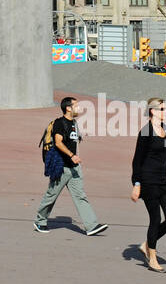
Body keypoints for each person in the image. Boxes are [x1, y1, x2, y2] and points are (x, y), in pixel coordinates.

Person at [33, 96, 109, 236]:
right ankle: (40, 221)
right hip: (61, 167)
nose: (79, 108)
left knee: (80, 196)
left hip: (74, 168)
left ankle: (91, 226)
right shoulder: (60, 123)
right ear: (68, 108)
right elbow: (58, 142)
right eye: (76, 105)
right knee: (51, 195)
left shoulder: (74, 123)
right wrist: (71, 155)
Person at [131, 97, 166, 273]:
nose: (165, 112)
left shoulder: (164, 128)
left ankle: (146, 245)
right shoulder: (145, 132)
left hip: (163, 180)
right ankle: (152, 258)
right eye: (162, 109)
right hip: (148, 180)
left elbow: (162, 151)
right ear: (153, 111)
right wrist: (136, 184)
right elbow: (137, 161)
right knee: (155, 219)